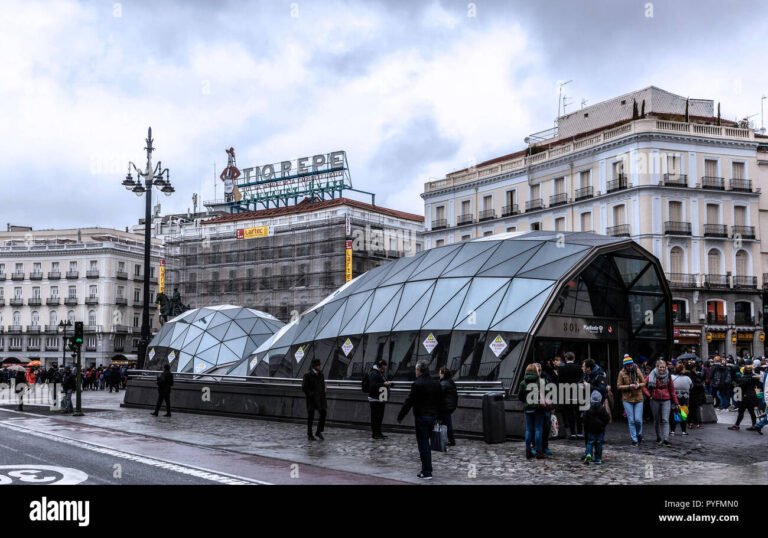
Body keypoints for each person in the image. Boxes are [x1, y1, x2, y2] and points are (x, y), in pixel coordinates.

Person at [397, 360, 443, 480]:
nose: (415, 372)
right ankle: (427, 470)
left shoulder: (417, 384)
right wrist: (440, 417)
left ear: (419, 370)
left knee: (423, 444)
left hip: (421, 417)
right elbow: (440, 402)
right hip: (433, 417)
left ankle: (427, 471)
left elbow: (409, 401)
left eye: (416, 370)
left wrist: (401, 415)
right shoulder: (436, 383)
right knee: (426, 443)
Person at [643, 359, 679, 446]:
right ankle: (658, 437)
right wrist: (649, 395)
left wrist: (676, 402)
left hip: (666, 399)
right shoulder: (651, 375)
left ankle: (666, 439)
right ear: (657, 367)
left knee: (665, 419)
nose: (662, 369)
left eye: (663, 367)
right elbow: (643, 386)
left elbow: (672, 390)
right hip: (654, 399)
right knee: (656, 420)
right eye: (660, 367)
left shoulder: (668, 375)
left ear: (666, 367)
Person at [519, 363, 547, 459]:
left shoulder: (523, 382)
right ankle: (539, 452)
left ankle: (528, 451)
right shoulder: (541, 382)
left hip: (528, 408)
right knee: (538, 429)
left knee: (528, 430)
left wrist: (527, 401)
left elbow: (520, 396)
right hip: (539, 408)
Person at [616, 355, 645, 446]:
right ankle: (634, 439)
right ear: (625, 366)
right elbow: (618, 386)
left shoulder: (637, 370)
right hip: (627, 399)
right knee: (631, 420)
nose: (630, 366)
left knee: (638, 420)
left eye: (631, 365)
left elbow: (644, 382)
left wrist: (638, 385)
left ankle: (639, 434)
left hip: (638, 398)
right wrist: (629, 386)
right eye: (628, 365)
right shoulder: (621, 373)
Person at [558, 351, 584, 440]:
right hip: (578, 392)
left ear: (565, 358)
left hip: (567, 392)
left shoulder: (561, 369)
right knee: (578, 413)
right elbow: (582, 380)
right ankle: (580, 433)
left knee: (570, 413)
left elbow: (560, 382)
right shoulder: (579, 368)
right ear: (574, 358)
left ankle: (573, 433)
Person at [301, 359, 327, 441]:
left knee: (323, 413)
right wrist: (311, 394)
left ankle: (318, 431)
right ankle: (310, 434)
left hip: (320, 398)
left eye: (319, 365)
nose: (319, 367)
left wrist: (324, 391)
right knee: (311, 417)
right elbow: (304, 387)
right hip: (311, 399)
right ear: (314, 366)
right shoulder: (307, 375)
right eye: (318, 365)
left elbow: (322, 385)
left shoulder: (321, 375)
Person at [583, 390, 610, 464]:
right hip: (600, 430)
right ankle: (598, 459)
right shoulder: (602, 408)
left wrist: (586, 426)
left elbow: (584, 418)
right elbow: (607, 418)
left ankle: (588, 454)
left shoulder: (588, 408)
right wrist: (603, 425)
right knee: (599, 443)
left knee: (590, 442)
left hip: (590, 429)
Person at [728, 364, 759, 431]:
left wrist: (736, 384)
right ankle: (754, 425)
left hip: (745, 397)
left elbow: (740, 386)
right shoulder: (754, 377)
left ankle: (736, 425)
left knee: (741, 411)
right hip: (752, 395)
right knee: (751, 411)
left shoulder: (744, 378)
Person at [367, 359, 391, 439]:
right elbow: (373, 386)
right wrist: (384, 384)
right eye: (383, 368)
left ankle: (379, 433)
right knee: (376, 417)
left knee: (379, 417)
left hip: (380, 398)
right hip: (375, 399)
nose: (384, 370)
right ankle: (375, 434)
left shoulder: (380, 374)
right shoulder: (374, 374)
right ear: (379, 367)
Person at [669, 363, 692, 436]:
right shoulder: (687, 378)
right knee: (683, 414)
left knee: (674, 414)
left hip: (674, 398)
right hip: (684, 399)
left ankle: (672, 431)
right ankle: (683, 432)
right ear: (682, 370)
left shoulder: (671, 377)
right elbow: (691, 386)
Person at [439, 366, 458, 446]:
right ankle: (442, 439)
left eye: (440, 372)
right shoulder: (450, 382)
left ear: (443, 374)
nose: (439, 374)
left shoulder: (443, 383)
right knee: (444, 423)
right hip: (450, 406)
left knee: (446, 423)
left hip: (445, 407)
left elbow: (439, 395)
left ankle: (450, 440)